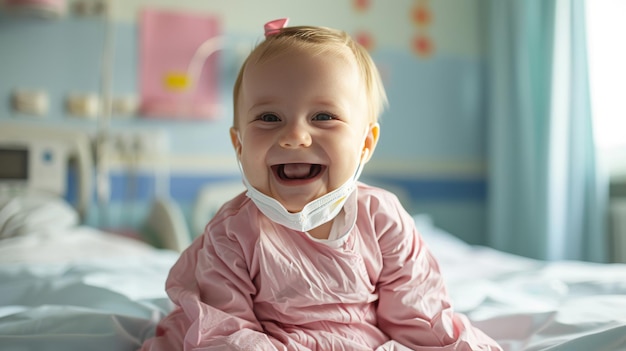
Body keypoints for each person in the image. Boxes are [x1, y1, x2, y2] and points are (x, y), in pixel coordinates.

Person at [140, 18, 502, 351]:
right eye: (269, 117)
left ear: (365, 144)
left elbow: (420, 318)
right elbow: (225, 333)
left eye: (323, 116)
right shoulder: (232, 232)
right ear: (238, 144)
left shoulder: (381, 220)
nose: (295, 136)